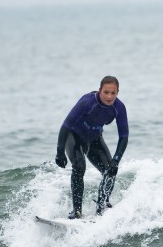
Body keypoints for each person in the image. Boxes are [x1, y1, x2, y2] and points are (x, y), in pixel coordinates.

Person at [55, 76, 129, 219]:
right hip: (74, 136)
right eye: (106, 92)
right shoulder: (87, 102)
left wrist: (116, 160)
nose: (109, 96)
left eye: (113, 93)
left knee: (110, 171)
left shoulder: (119, 107)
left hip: (94, 139)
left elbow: (124, 136)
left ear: (117, 92)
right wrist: (60, 152)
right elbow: (66, 126)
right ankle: (77, 211)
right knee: (79, 167)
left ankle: (101, 208)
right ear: (100, 90)